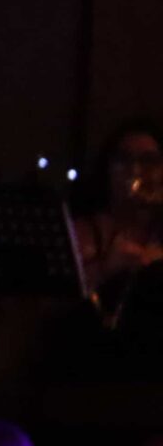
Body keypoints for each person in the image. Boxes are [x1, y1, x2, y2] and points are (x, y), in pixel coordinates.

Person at [72, 118, 162, 326]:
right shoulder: (84, 231)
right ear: (108, 169)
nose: (136, 170)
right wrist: (105, 269)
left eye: (149, 161)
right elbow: (54, 305)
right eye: (124, 160)